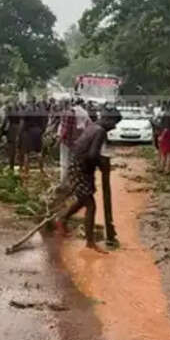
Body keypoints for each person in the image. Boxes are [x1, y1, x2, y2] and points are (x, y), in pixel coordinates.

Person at [55, 106, 122, 253]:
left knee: (82, 200)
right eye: (114, 122)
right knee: (90, 205)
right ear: (107, 119)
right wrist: (102, 164)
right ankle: (90, 242)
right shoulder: (100, 131)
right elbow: (92, 155)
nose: (115, 126)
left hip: (78, 166)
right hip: (81, 168)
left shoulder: (93, 127)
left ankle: (63, 220)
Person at [19, 97, 47, 177]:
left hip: (29, 132)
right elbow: (43, 122)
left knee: (26, 153)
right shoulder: (39, 110)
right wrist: (42, 131)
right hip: (38, 132)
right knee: (39, 152)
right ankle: (42, 170)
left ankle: (26, 172)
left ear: (30, 101)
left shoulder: (27, 110)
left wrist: (21, 132)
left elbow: (23, 123)